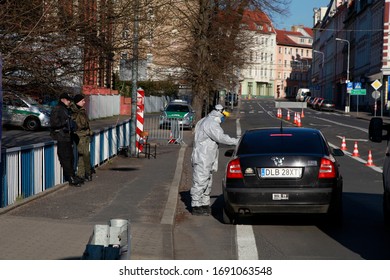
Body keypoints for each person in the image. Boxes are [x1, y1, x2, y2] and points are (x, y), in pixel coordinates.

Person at [190, 104, 239, 216]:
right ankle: (195, 205)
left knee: (207, 180)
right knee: (201, 180)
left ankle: (204, 204)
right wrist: (237, 141)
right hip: (204, 156)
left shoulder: (205, 120)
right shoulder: (211, 123)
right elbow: (221, 137)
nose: (224, 117)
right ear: (219, 113)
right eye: (223, 114)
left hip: (206, 156)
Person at [50, 93, 84, 187]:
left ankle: (72, 176)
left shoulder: (65, 109)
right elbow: (54, 123)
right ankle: (70, 178)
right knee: (66, 158)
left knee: (70, 157)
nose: (69, 102)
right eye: (68, 100)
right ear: (62, 100)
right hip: (61, 137)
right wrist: (66, 123)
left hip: (67, 137)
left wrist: (72, 125)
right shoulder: (57, 109)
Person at [71, 94, 93, 181]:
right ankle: (87, 173)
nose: (84, 102)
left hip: (85, 134)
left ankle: (81, 174)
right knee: (85, 154)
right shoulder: (74, 112)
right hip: (80, 136)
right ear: (77, 101)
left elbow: (86, 124)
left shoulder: (82, 110)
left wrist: (89, 132)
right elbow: (80, 125)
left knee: (82, 155)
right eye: (82, 100)